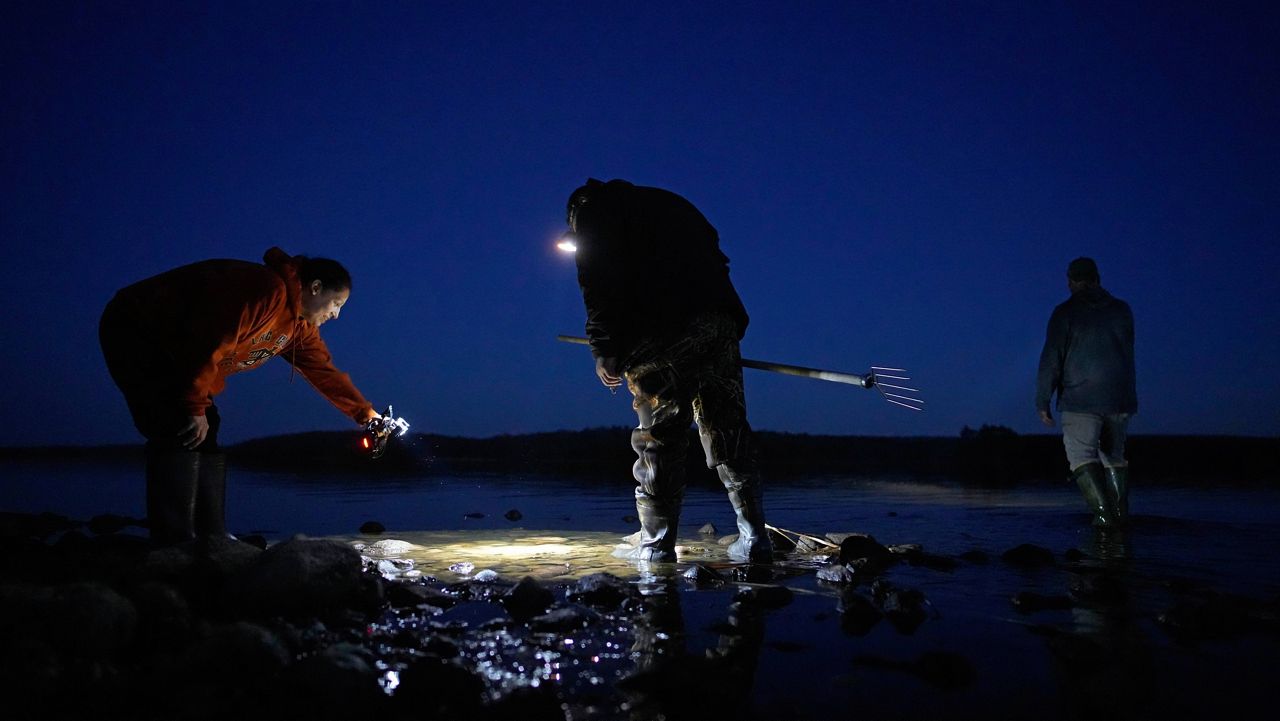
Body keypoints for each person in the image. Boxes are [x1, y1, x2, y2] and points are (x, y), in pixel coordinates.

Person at [99, 247, 381, 544]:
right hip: (138, 328)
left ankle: (212, 536)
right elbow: (207, 341)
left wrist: (366, 414)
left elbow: (324, 372)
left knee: (207, 427)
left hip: (185, 356)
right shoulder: (265, 291)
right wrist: (194, 404)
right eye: (336, 304)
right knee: (176, 424)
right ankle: (175, 542)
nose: (335, 315)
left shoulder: (299, 328)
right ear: (315, 288)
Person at [565, 178, 772, 562]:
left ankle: (656, 545)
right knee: (725, 424)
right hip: (719, 320)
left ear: (577, 211)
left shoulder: (596, 211)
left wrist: (604, 347)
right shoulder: (673, 203)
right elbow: (718, 260)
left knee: (660, 433)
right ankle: (755, 539)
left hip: (660, 329)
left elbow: (598, 279)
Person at [1036, 257, 1137, 527]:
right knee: (1114, 457)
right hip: (1119, 398)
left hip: (1080, 398)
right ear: (1097, 279)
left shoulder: (1064, 313)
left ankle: (1104, 519)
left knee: (1081, 456)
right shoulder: (1122, 310)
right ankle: (1121, 518)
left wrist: (1042, 399)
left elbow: (1051, 358)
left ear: (1070, 282)